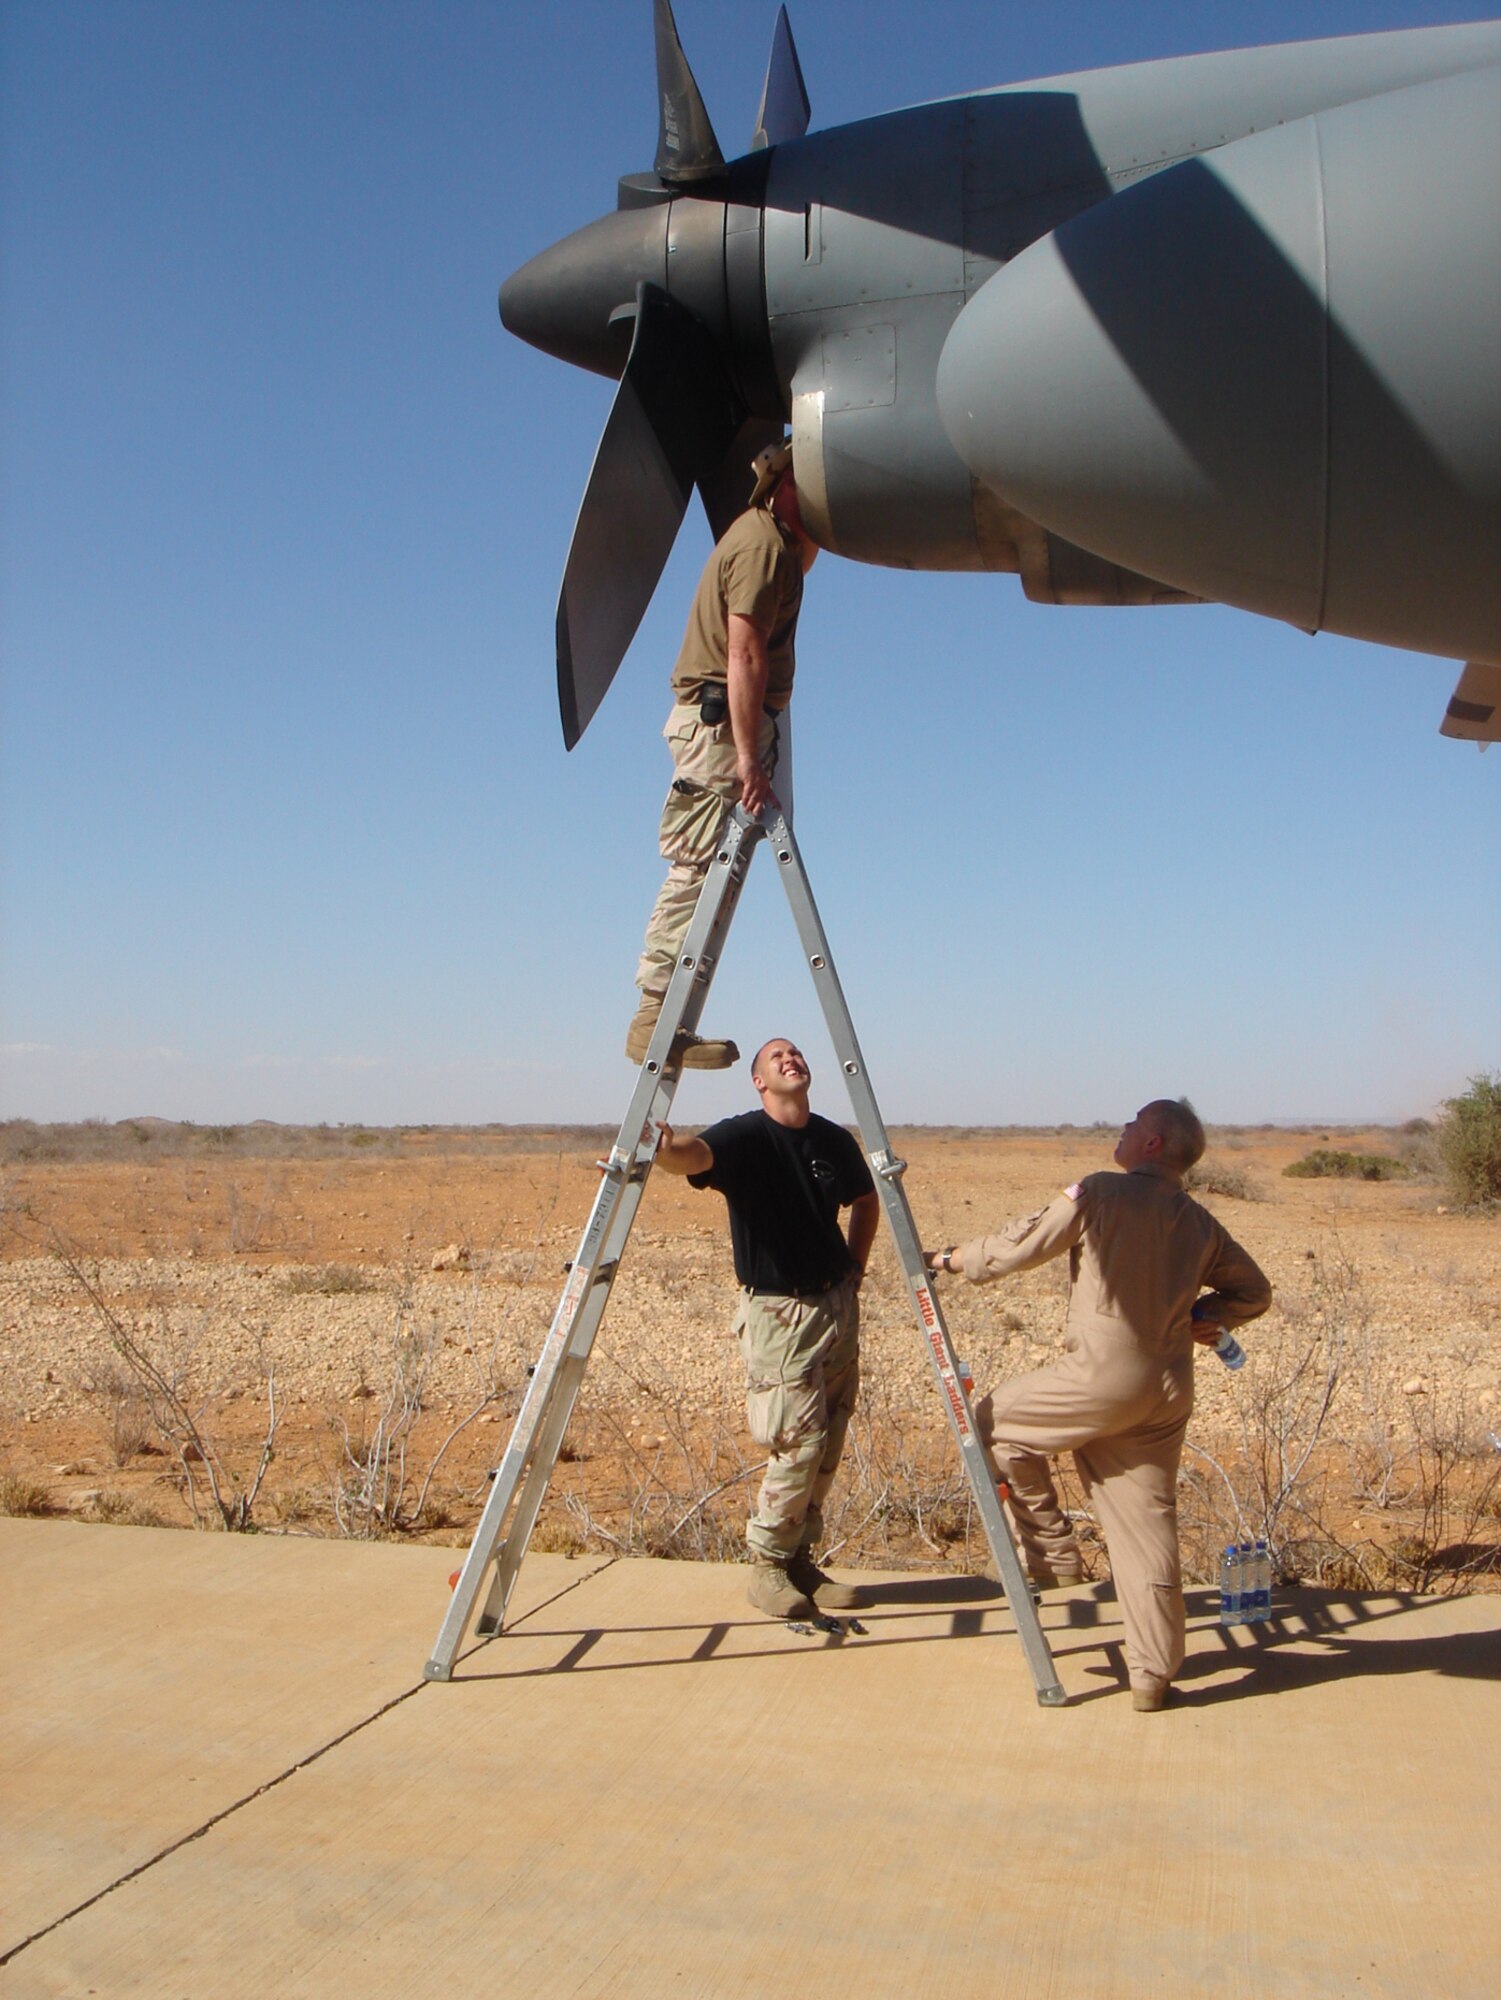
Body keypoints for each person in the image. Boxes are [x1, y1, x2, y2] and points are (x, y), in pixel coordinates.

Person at [924, 1099, 1271, 1712]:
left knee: (989, 1424)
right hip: (1165, 1391)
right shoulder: (1199, 1221)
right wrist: (1206, 1315)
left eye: (1135, 1123)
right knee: (1145, 1531)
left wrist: (950, 1260)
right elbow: (1255, 1291)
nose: (1124, 1128)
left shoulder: (1101, 1193)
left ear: (1155, 1143)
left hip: (1101, 1377)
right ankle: (1152, 1675)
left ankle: (1053, 1552)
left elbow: (1019, 1246)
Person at [655, 1036, 881, 1618]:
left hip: (835, 1305)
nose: (791, 1059)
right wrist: (662, 1148)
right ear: (759, 1080)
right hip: (779, 1313)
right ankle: (768, 1567)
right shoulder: (745, 1135)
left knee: (829, 1439)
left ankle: (801, 1559)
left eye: (797, 1053)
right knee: (796, 1441)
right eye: (776, 1057)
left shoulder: (832, 1139)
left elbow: (865, 1199)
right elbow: (694, 1155)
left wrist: (855, 1267)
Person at [627, 439, 818, 1070]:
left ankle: (670, 1022)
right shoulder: (763, 545)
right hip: (720, 728)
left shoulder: (775, 544)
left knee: (716, 871)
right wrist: (746, 757)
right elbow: (744, 653)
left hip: (730, 725)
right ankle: (654, 1022)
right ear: (786, 487)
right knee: (696, 869)